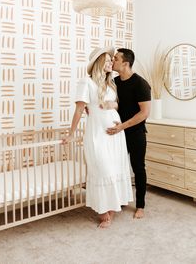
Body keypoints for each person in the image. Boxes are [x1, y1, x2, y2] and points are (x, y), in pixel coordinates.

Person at [64, 46, 133, 228]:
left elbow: (117, 105)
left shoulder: (111, 83)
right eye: (109, 59)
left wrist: (113, 105)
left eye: (113, 59)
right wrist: (71, 133)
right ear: (99, 62)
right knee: (102, 170)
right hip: (97, 133)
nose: (112, 62)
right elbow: (79, 109)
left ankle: (111, 208)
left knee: (115, 168)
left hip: (116, 134)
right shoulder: (86, 83)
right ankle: (103, 212)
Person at [107, 48, 151, 219]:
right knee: (116, 166)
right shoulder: (114, 82)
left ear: (125, 63)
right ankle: (120, 198)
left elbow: (144, 113)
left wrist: (122, 126)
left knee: (138, 167)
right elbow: (116, 104)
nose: (112, 61)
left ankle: (140, 205)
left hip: (135, 133)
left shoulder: (141, 84)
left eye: (115, 59)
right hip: (119, 132)